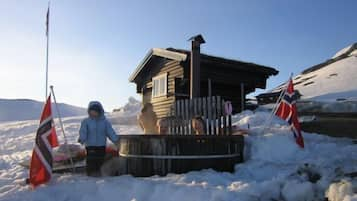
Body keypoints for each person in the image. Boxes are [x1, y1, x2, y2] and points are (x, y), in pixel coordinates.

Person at [78, 101, 119, 177]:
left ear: (100, 112)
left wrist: (116, 139)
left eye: (95, 112)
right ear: (89, 112)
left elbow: (110, 132)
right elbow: (83, 131)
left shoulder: (105, 122)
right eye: (92, 112)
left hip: (101, 146)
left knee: (100, 160)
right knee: (91, 160)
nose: (94, 113)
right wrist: (82, 138)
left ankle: (99, 174)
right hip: (90, 146)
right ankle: (90, 174)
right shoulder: (86, 122)